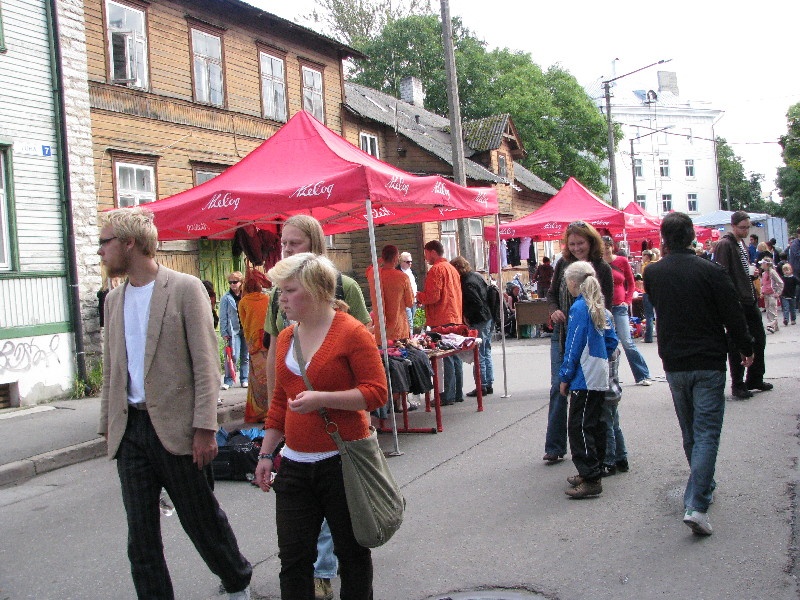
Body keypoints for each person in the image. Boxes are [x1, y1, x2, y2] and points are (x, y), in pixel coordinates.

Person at [97, 207, 252, 600]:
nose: (100, 251)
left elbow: (206, 364)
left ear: (129, 243)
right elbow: (112, 369)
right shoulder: (113, 300)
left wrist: (205, 428)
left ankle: (237, 581)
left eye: (105, 242)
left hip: (179, 429)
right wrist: (108, 428)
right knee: (141, 534)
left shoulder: (184, 288)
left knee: (200, 519)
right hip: (131, 430)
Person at [253, 252, 388, 600]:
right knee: (293, 560)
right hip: (295, 465)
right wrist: (266, 454)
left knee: (352, 554)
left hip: (343, 463)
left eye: (289, 291)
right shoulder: (287, 337)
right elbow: (280, 402)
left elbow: (377, 392)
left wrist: (323, 399)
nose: (281, 299)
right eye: (280, 291)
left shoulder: (352, 332)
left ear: (315, 291)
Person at [644, 212, 754, 536]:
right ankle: (697, 504)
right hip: (707, 359)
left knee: (691, 431)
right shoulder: (711, 271)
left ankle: (702, 484)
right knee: (706, 432)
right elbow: (732, 314)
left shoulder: (653, 273)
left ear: (663, 239)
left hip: (674, 360)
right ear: (692, 236)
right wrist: (746, 347)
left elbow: (660, 307)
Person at [543, 221, 613, 463]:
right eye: (571, 244)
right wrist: (554, 310)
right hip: (562, 334)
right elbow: (551, 294)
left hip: (589, 338)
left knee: (592, 393)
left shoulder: (601, 268)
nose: (576, 248)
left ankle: (603, 453)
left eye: (580, 243)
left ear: (591, 242)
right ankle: (555, 446)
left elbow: (606, 306)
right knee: (558, 387)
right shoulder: (563, 264)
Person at [558, 261, 618, 499]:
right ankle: (594, 469)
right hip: (599, 370)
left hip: (584, 374)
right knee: (594, 423)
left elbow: (573, 345)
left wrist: (565, 375)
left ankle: (590, 476)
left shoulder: (579, 308)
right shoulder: (598, 306)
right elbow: (612, 340)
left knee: (579, 426)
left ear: (573, 283)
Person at [713, 211, 770, 399]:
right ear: (733, 226)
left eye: (747, 227)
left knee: (758, 339)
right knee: (737, 342)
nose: (746, 231)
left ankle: (755, 378)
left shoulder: (741, 244)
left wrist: (751, 276)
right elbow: (721, 273)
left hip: (748, 297)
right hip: (737, 300)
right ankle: (738, 384)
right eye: (743, 227)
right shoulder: (725, 244)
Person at [416, 240, 464, 406]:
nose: (425, 257)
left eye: (426, 253)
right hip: (454, 315)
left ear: (432, 252)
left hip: (441, 318)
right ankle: (457, 393)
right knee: (455, 354)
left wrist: (419, 296)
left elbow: (433, 296)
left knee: (446, 356)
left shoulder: (436, 269)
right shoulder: (451, 268)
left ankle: (447, 395)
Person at [602, 236, 652, 385]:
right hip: (603, 308)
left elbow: (631, 283)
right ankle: (608, 378)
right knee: (606, 343)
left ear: (612, 247)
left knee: (627, 341)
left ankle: (642, 375)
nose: (605, 250)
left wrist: (627, 300)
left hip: (619, 306)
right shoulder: (597, 263)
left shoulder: (621, 261)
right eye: (602, 247)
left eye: (607, 246)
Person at [450, 256, 494, 396]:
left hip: (478, 318)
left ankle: (482, 385)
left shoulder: (466, 282)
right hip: (487, 316)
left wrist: (467, 316)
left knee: (479, 352)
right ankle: (488, 383)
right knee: (486, 350)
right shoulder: (476, 276)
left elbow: (476, 302)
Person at [237, 269, 271, 422]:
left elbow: (244, 324)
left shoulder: (243, 302)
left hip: (254, 344)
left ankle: (259, 412)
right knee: (269, 376)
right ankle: (271, 410)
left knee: (257, 378)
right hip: (268, 342)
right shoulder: (267, 298)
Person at [367, 245, 413, 345]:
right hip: (399, 329)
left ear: (383, 257)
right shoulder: (403, 277)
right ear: (396, 258)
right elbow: (410, 303)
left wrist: (381, 260)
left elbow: (369, 270)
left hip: (381, 330)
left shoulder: (374, 275)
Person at [220, 271, 249, 390]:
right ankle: (229, 380)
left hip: (246, 329)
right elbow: (223, 316)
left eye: (235, 282)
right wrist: (224, 332)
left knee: (246, 356)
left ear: (241, 282)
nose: (232, 284)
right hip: (233, 330)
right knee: (233, 356)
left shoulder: (246, 296)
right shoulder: (226, 298)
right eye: (230, 282)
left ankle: (244, 378)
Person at [759, 257, 784, 333]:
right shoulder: (763, 274)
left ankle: (771, 325)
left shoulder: (772, 272)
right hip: (766, 294)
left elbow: (780, 283)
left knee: (772, 309)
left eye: (763, 263)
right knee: (768, 310)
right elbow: (763, 284)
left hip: (772, 294)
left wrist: (778, 292)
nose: (761, 265)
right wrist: (762, 292)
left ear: (766, 264)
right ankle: (775, 326)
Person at [398, 251, 418, 332]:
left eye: (411, 261)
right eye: (407, 262)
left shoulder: (412, 271)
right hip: (405, 301)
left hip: (414, 300)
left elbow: (414, 285)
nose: (410, 264)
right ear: (401, 262)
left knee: (412, 320)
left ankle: (410, 335)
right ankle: (410, 337)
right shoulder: (398, 272)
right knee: (409, 322)